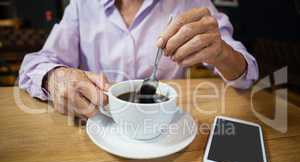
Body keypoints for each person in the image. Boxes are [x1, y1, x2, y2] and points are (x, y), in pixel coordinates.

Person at [19, 0, 258, 119]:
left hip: (165, 127)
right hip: (97, 124)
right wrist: (54, 77)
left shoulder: (190, 2)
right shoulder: (83, 5)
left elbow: (246, 77)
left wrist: (221, 53)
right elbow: (35, 64)